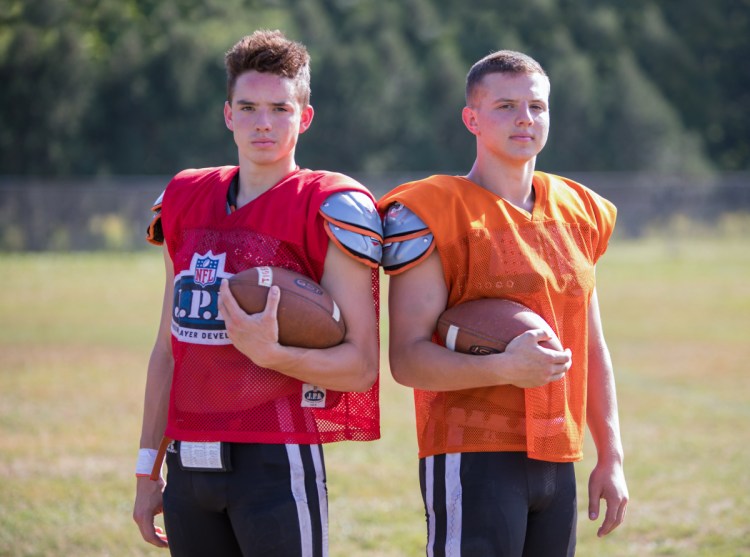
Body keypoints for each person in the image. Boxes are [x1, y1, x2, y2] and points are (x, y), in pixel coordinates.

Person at [132, 30, 382, 557]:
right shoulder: (183, 198)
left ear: (304, 117)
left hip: (277, 459)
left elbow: (360, 367)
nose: (263, 123)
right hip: (188, 459)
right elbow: (167, 352)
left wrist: (272, 354)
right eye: (247, 107)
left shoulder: (329, 203)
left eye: (279, 108)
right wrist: (146, 468)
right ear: (227, 114)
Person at [378, 50, 628, 556]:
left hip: (559, 449)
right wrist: (506, 366)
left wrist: (612, 455)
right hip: (472, 451)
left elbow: (591, 344)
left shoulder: (578, 209)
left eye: (537, 107)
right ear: (472, 118)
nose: (525, 119)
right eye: (506, 106)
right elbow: (406, 360)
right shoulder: (434, 209)